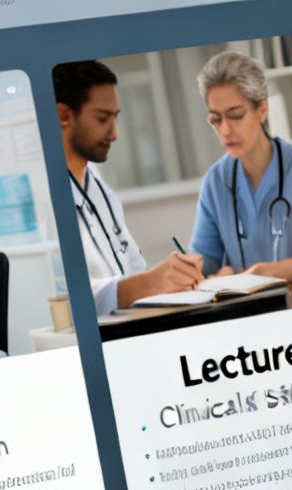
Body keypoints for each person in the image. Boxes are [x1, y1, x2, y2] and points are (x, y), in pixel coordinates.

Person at [53, 60, 205, 313]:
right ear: (64, 115)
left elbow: (134, 271)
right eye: (103, 119)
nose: (115, 134)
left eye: (115, 118)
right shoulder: (52, 199)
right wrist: (152, 282)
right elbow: (67, 302)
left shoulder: (101, 191)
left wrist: (169, 280)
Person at [189, 51, 292, 284]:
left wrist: (259, 273)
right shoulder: (215, 181)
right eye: (215, 120)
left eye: (235, 115)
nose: (225, 130)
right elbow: (204, 262)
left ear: (262, 109)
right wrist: (190, 269)